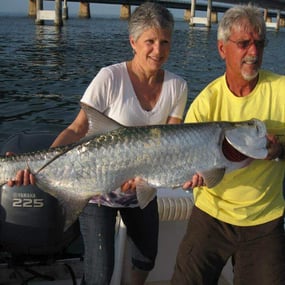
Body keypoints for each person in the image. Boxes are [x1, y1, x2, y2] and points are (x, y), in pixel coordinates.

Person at [8, 2, 187, 285]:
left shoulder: (177, 86)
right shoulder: (110, 77)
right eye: (149, 41)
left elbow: (170, 144)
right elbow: (78, 129)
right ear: (133, 42)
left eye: (165, 41)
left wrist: (146, 176)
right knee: (99, 274)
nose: (158, 50)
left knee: (146, 258)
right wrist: (41, 166)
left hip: (142, 189)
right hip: (95, 191)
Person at [171, 4, 285, 285]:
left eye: (259, 43)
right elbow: (184, 162)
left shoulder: (282, 91)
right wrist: (192, 176)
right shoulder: (205, 104)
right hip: (212, 215)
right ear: (222, 49)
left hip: (265, 219)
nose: (254, 53)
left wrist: (280, 149)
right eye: (244, 44)